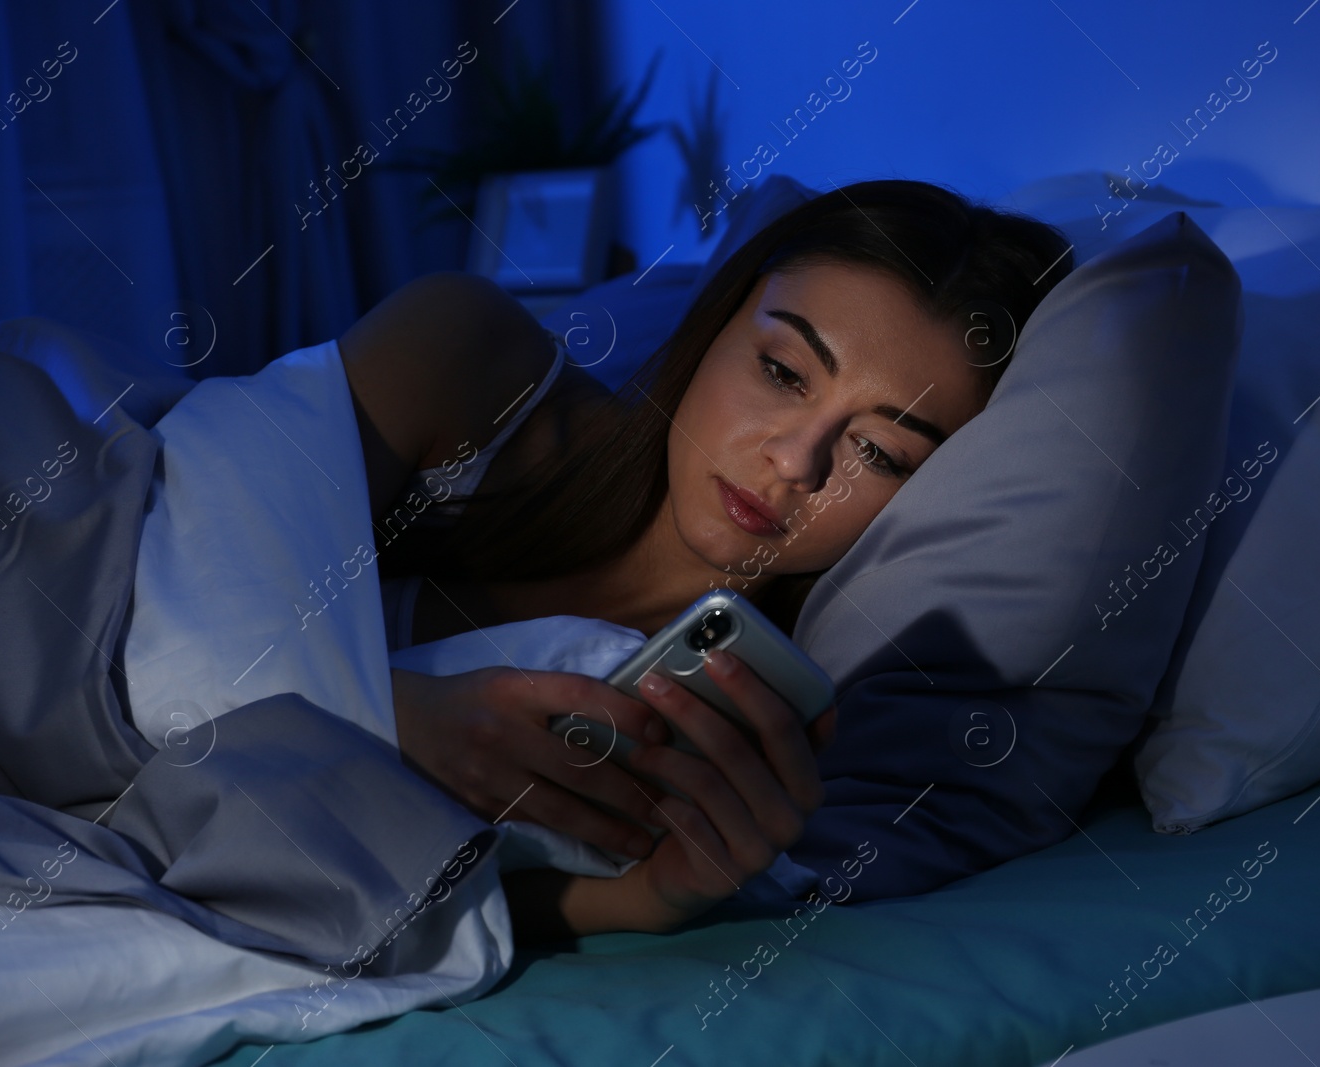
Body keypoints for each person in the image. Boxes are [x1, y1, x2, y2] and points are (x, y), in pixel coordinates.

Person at [339, 179, 1073, 941]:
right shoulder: (465, 362)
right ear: (719, 319)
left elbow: (381, 912)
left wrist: (646, 898)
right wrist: (388, 718)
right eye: (783, 372)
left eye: (879, 452)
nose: (794, 460)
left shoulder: (746, 728)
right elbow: (208, 578)